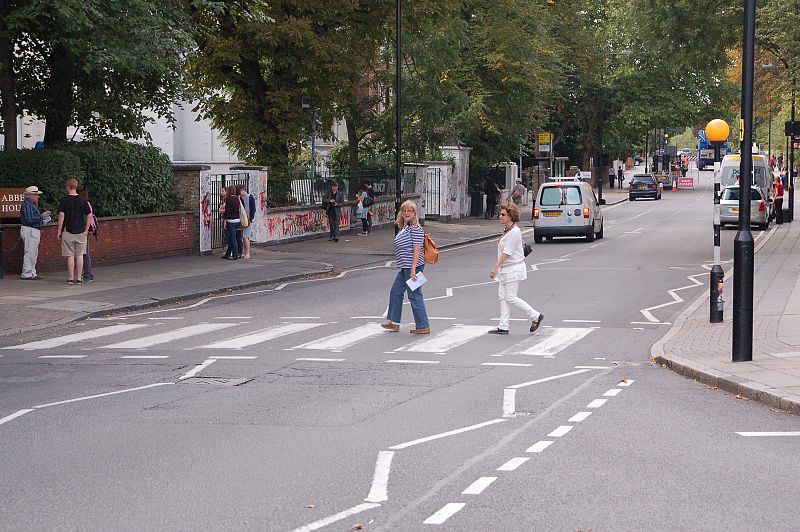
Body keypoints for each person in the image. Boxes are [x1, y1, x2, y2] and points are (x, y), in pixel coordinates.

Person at [488, 203, 543, 335]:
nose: (500, 216)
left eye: (503, 214)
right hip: (506, 269)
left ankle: (535, 316)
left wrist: (495, 267)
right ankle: (503, 326)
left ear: (511, 216)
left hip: (513, 269)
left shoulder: (514, 232)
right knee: (503, 297)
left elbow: (507, 252)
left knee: (510, 297)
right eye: (500, 214)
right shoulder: (507, 230)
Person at [382, 200, 430, 335]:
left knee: (414, 295)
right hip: (405, 267)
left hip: (412, 267)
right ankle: (394, 322)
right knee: (395, 292)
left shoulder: (415, 228)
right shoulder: (406, 227)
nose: (406, 213)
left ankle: (423, 325)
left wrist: (414, 269)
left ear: (415, 214)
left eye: (410, 211)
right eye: (404, 211)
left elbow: (417, 249)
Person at [56, 177, 91, 285]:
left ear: (67, 187)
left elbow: (61, 216)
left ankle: (71, 278)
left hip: (68, 231)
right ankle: (79, 278)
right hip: (81, 231)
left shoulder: (64, 200)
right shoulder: (82, 200)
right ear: (76, 187)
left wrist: (59, 231)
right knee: (80, 255)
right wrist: (86, 230)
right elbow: (89, 215)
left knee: (70, 255)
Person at [19, 185, 51, 280]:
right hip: (30, 230)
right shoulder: (28, 205)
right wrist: (42, 216)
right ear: (31, 195)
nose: (38, 197)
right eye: (36, 195)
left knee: (33, 252)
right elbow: (29, 219)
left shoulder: (30, 204)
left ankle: (32, 272)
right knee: (30, 252)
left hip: (32, 229)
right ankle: (27, 273)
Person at [77, 189, 96, 282]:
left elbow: (86, 217)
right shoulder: (88, 203)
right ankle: (87, 274)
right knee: (85, 252)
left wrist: (85, 230)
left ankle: (87, 274)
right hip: (87, 230)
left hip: (84, 230)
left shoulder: (84, 203)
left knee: (84, 253)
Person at [222, 185, 241, 259]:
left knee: (233, 239)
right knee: (231, 238)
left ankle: (235, 255)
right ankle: (228, 254)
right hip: (237, 220)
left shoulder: (229, 199)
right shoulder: (237, 199)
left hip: (231, 221)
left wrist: (225, 220)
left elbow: (227, 211)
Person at [238, 184, 256, 259]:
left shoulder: (250, 197)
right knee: (244, 236)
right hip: (243, 219)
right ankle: (245, 253)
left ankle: (247, 253)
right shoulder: (241, 198)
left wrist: (250, 219)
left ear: (242, 190)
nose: (239, 194)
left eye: (239, 192)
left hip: (247, 220)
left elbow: (253, 209)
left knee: (245, 237)